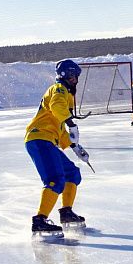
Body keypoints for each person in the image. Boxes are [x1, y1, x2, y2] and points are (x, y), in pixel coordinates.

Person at [25, 59, 91, 237]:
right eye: (72, 76)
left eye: (76, 76)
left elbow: (59, 126)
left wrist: (74, 146)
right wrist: (71, 122)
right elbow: (56, 107)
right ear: (63, 76)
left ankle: (66, 212)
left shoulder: (66, 95)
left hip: (47, 140)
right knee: (55, 179)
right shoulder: (59, 89)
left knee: (72, 174)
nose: (75, 79)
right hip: (39, 138)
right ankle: (40, 220)